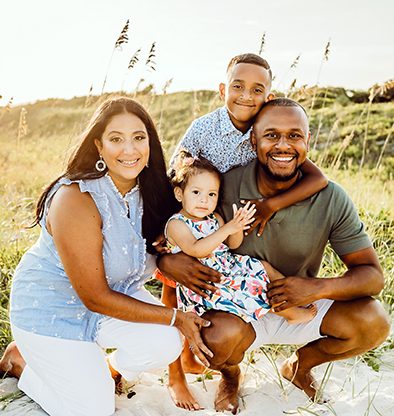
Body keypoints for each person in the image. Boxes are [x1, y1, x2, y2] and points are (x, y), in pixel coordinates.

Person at [158, 97, 390, 414]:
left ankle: (299, 366)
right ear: (253, 140)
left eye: (294, 135)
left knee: (373, 321)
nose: (283, 145)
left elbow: (372, 276)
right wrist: (167, 261)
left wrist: (317, 288)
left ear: (308, 140)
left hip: (297, 302)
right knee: (217, 337)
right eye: (271, 135)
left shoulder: (331, 197)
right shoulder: (220, 186)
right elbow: (172, 232)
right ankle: (230, 375)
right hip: (235, 309)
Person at [0, 97, 213, 416]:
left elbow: (162, 249)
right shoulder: (74, 198)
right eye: (116, 139)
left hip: (115, 296)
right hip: (52, 311)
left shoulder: (154, 193)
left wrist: (169, 261)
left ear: (150, 143)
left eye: (139, 138)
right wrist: (176, 316)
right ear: (98, 146)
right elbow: (94, 297)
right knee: (93, 411)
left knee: (167, 342)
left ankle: (107, 369)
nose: (129, 149)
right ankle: (21, 364)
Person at [157, 53, 328, 410]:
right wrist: (167, 247)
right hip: (192, 225)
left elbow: (318, 178)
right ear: (223, 89)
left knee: (233, 283)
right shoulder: (202, 129)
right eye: (238, 86)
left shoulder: (267, 127)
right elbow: (175, 176)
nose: (246, 96)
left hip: (229, 228)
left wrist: (269, 207)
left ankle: (223, 370)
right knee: (174, 291)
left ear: (268, 95)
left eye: (257, 89)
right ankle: (175, 374)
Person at [167, 150, 317, 325]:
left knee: (263, 266)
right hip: (206, 281)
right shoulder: (177, 224)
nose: (204, 200)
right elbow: (196, 250)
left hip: (228, 266)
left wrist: (236, 227)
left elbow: (232, 244)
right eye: (196, 192)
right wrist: (227, 229)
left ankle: (291, 294)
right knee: (252, 287)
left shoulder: (214, 218)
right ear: (179, 194)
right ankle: (290, 313)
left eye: (211, 194)